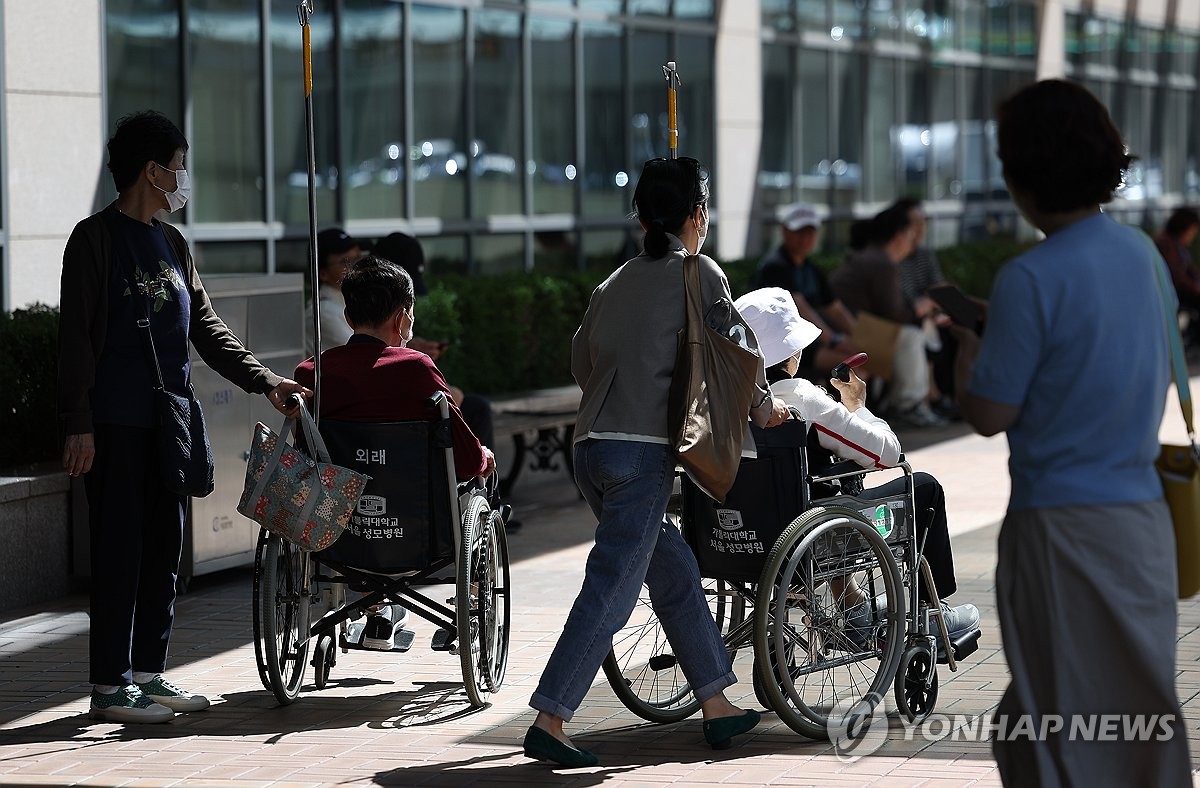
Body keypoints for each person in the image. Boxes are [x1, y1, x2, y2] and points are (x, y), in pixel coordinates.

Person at [954, 79, 1191, 786]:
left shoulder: (1029, 279)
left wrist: (973, 347)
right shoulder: (1145, 255)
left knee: (1062, 716)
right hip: (1145, 524)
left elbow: (990, 413)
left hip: (1060, 531)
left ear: (1020, 173)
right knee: (1140, 709)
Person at [524, 157, 790, 768]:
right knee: (613, 588)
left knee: (669, 569)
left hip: (591, 447)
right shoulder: (700, 273)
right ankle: (551, 716)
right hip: (641, 454)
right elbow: (738, 354)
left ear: (641, 216)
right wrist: (764, 410)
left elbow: (581, 364)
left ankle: (717, 706)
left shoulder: (611, 283)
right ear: (698, 215)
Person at [57, 110, 310, 724]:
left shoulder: (173, 244)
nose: (183, 177)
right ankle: (109, 685)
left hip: (168, 423)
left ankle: (149, 674)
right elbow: (73, 342)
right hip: (114, 426)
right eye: (178, 166)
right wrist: (77, 423)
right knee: (120, 551)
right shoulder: (94, 240)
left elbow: (207, 327)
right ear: (152, 170)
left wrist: (265, 381)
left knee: (165, 550)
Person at [734, 287, 980, 641]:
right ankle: (929, 613)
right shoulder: (802, 398)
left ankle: (853, 605)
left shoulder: (724, 398)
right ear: (792, 352)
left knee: (824, 485)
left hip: (740, 534)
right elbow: (889, 454)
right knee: (923, 487)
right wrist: (857, 406)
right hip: (807, 531)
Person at [295, 256, 496, 649]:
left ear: (349, 317)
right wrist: (485, 457)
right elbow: (467, 458)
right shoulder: (416, 368)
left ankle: (373, 613)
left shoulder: (311, 373)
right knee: (482, 480)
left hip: (337, 529)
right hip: (419, 531)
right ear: (403, 318)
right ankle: (470, 596)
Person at [371, 232, 495, 451]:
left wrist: (411, 346)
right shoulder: (414, 364)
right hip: (398, 436)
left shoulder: (317, 365)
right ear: (401, 317)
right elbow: (447, 397)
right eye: (408, 307)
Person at [830, 206, 945, 428]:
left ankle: (908, 403)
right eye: (911, 235)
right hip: (853, 332)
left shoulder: (874, 258)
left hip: (852, 328)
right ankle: (906, 405)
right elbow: (895, 315)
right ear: (900, 237)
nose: (914, 241)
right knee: (911, 336)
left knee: (914, 333)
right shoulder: (881, 263)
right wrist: (920, 309)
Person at [754, 203, 860, 383]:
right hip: (787, 346)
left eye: (810, 232)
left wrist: (861, 337)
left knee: (860, 359)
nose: (805, 238)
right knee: (851, 368)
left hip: (812, 340)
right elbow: (800, 307)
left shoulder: (812, 269)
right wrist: (833, 340)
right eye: (799, 231)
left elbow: (834, 308)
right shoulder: (775, 266)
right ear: (785, 231)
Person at [305, 227, 366, 356]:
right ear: (323, 273)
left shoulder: (354, 301)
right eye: (345, 262)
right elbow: (364, 356)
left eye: (358, 258)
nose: (356, 266)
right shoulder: (323, 313)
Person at [1154, 207, 1200, 346]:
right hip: (1173, 293)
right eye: (1193, 230)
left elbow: (1188, 270)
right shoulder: (1167, 244)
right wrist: (1195, 286)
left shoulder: (1178, 244)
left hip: (1180, 292)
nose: (1193, 234)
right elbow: (1177, 276)